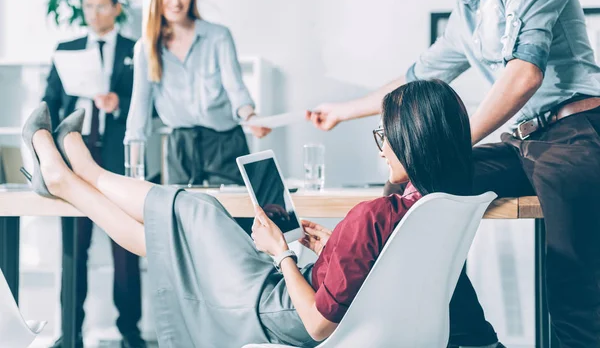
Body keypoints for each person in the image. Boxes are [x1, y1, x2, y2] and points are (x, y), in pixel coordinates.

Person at [24, 80, 478, 347]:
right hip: (292, 292)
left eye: (385, 135)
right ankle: (76, 174)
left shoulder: (377, 214)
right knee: (181, 235)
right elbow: (381, 272)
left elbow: (319, 325)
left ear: (412, 140)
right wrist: (333, 249)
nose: (382, 147)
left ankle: (74, 175)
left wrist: (282, 252)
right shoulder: (433, 208)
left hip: (281, 309)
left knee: (193, 211)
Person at [307, 0, 600, 346]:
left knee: (571, 286)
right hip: (523, 142)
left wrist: (448, 145)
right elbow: (415, 79)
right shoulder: (466, 15)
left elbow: (525, 74)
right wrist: (343, 111)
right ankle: (471, 337)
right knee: (414, 190)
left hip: (575, 134)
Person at [42, 0, 145, 348]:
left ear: (116, 7)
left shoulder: (137, 50)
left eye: (101, 6)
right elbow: (48, 104)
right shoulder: (66, 49)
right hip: (75, 157)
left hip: (118, 158)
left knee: (127, 247)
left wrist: (119, 103)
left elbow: (149, 105)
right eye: (88, 6)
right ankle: (70, 332)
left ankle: (130, 332)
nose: (94, 13)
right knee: (73, 246)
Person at [125, 0, 270, 187]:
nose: (176, 1)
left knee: (233, 218)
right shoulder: (146, 48)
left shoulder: (218, 36)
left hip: (224, 144)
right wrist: (133, 174)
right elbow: (139, 110)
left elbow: (236, 90)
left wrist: (251, 117)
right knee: (183, 220)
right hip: (179, 148)